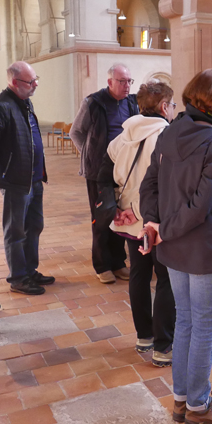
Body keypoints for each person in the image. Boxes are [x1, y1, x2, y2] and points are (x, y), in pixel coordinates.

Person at [139, 69, 212, 424]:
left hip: (175, 248)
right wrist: (162, 229)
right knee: (204, 327)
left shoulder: (171, 130)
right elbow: (204, 204)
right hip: (204, 248)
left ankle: (182, 399)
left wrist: (153, 225)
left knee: (185, 321)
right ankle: (199, 405)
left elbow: (148, 185)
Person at [97, 80, 176, 367]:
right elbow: (170, 183)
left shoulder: (122, 135)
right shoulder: (167, 135)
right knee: (166, 279)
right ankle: (164, 346)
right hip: (155, 221)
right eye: (172, 104)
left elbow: (103, 175)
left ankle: (145, 336)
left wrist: (116, 208)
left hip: (129, 219)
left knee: (139, 275)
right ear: (164, 106)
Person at [0, 61, 54, 295]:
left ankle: (29, 269)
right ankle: (18, 277)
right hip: (16, 180)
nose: (35, 84)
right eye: (30, 81)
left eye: (36, 79)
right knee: (15, 231)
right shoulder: (1, 106)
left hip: (34, 179)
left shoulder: (25, 102)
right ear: (15, 83)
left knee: (34, 226)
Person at [71, 63, 139, 283]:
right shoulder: (93, 102)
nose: (127, 85)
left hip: (123, 172)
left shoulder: (131, 103)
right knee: (101, 218)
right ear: (110, 82)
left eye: (129, 81)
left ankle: (118, 263)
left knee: (120, 217)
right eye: (122, 81)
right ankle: (102, 266)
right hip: (98, 172)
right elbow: (76, 132)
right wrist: (91, 155)